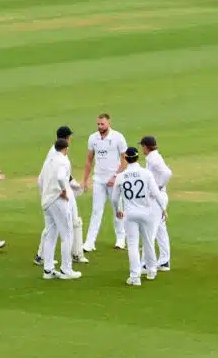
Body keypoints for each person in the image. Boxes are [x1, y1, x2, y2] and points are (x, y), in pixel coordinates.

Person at [112, 147, 163, 285]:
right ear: (137, 158)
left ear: (125, 159)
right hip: (147, 212)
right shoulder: (146, 173)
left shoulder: (121, 176)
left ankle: (135, 277)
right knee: (148, 241)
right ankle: (152, 270)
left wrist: (118, 210)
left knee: (133, 245)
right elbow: (156, 193)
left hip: (130, 214)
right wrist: (163, 208)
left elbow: (115, 199)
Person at [38, 126, 81, 280]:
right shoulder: (63, 160)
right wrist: (63, 190)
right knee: (67, 235)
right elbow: (62, 178)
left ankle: (48, 270)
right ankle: (66, 270)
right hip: (58, 201)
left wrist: (45, 195)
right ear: (66, 146)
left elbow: (40, 180)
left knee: (50, 235)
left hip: (47, 201)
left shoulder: (49, 159)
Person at [81, 113, 127, 260]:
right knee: (96, 210)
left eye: (102, 124)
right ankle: (89, 242)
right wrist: (85, 180)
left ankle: (120, 239)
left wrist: (116, 177)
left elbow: (124, 159)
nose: (100, 127)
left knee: (117, 209)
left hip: (114, 181)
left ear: (109, 123)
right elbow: (89, 160)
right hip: (99, 180)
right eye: (98, 124)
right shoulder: (93, 138)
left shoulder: (118, 137)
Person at [141, 134, 174, 274]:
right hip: (159, 196)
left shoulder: (153, 158)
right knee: (160, 229)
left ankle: (146, 264)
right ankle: (164, 261)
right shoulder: (153, 157)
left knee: (151, 230)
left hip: (157, 197)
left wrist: (158, 186)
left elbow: (167, 173)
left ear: (145, 147)